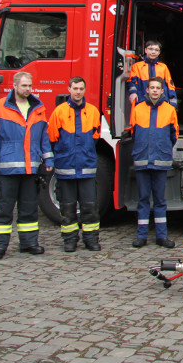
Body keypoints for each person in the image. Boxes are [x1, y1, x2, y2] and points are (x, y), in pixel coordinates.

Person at [0, 72, 54, 259]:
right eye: (24, 86)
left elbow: (43, 137)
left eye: (30, 86)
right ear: (15, 86)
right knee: (3, 209)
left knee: (29, 208)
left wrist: (48, 159)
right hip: (6, 170)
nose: (28, 89)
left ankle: (29, 243)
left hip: (30, 169)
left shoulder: (38, 108)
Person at [47, 76, 102, 252]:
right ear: (69, 89)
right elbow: (52, 139)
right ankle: (70, 240)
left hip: (86, 167)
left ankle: (91, 239)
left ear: (85, 90)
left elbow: (95, 137)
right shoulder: (59, 112)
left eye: (81, 89)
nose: (78, 92)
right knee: (67, 208)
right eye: (75, 88)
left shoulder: (93, 111)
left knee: (90, 207)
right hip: (66, 168)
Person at [129, 76, 178, 248]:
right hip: (143, 160)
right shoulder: (138, 109)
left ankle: (161, 236)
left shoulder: (170, 110)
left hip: (160, 161)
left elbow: (174, 135)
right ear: (147, 90)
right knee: (142, 199)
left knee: (160, 200)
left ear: (162, 91)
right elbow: (134, 133)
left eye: (158, 88)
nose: (155, 90)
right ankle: (141, 236)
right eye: (152, 87)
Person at [128, 39, 178, 108]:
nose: (153, 52)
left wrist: (173, 100)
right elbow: (132, 82)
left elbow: (170, 85)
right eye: (150, 49)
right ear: (145, 50)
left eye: (156, 50)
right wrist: (133, 93)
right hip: (142, 101)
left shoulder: (163, 67)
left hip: (161, 102)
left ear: (159, 52)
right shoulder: (137, 66)